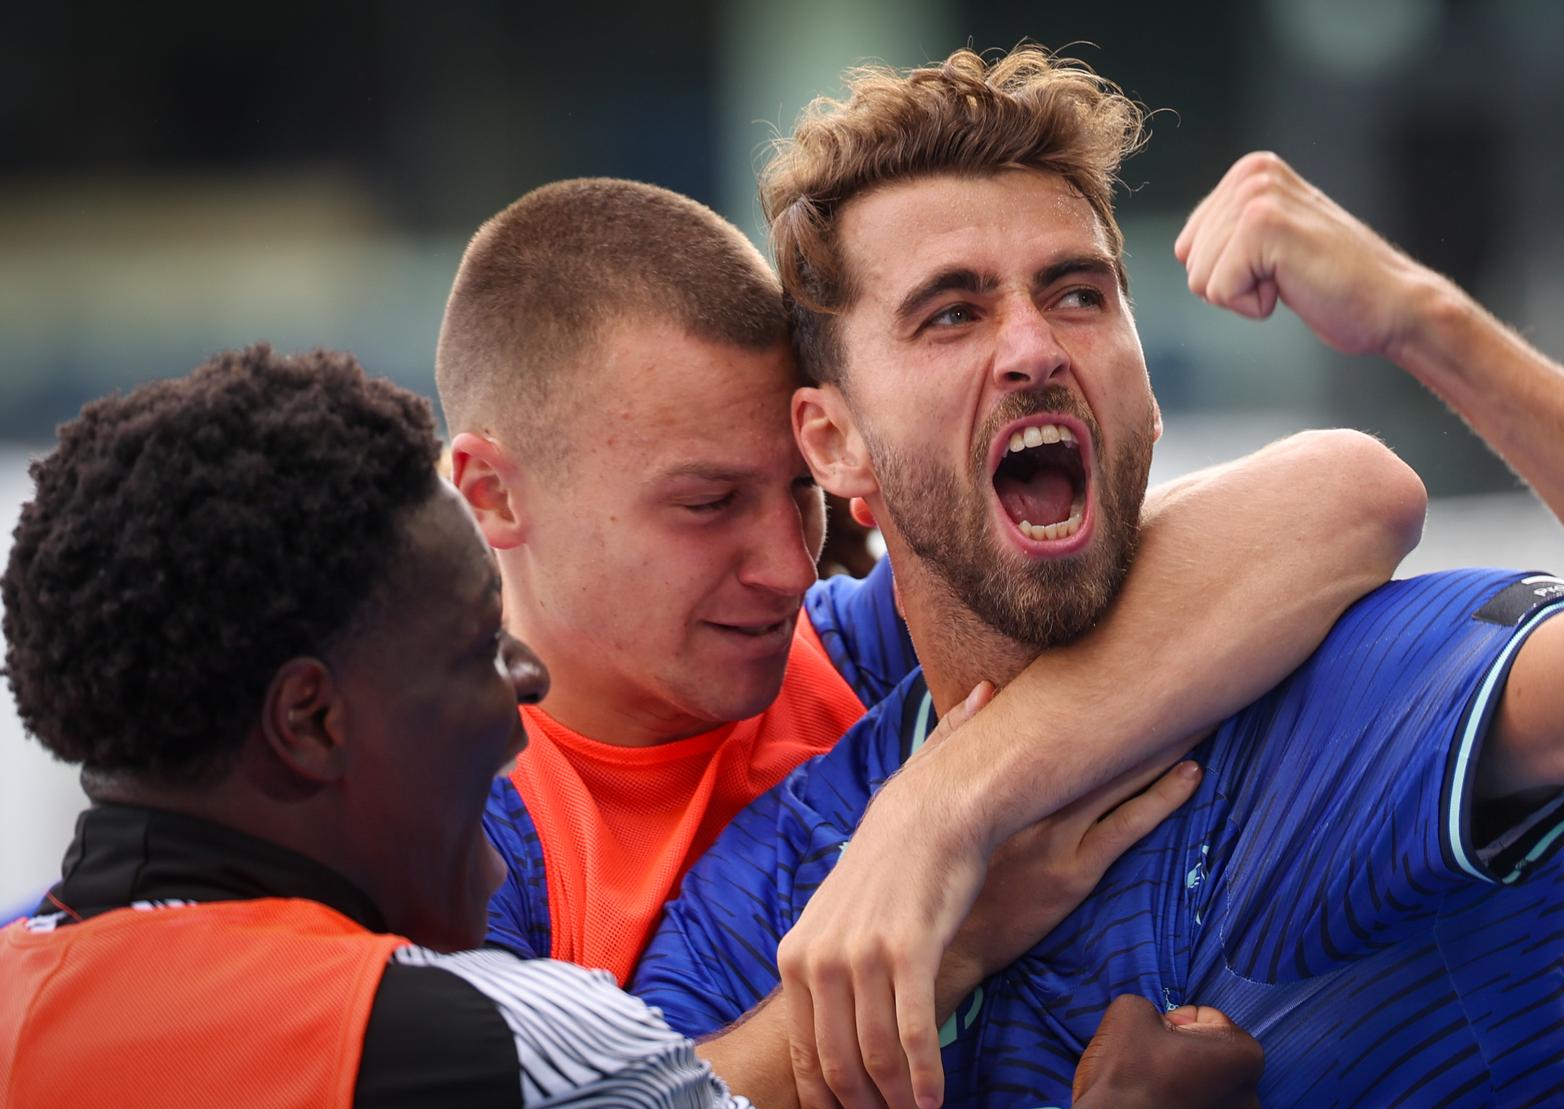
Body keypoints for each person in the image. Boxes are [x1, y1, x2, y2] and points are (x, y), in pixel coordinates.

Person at [632, 47, 1564, 1109]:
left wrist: (1429, 322)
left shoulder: (1350, 691)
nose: (1032, 349)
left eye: (1078, 294)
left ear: (1143, 380)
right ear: (833, 439)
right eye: (952, 313)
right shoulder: (786, 873)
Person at [0, 344, 1266, 1109]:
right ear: (311, 722)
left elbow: (1325, 503)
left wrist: (938, 808)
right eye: (472, 655)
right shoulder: (485, 1047)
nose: (527, 683)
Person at [437, 181, 1425, 1015]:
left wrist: (939, 810)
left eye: (802, 490)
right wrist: (956, 945)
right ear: (492, 494)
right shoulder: (443, 836)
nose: (789, 566)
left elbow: (1343, 500)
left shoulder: (857, 650)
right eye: (707, 504)